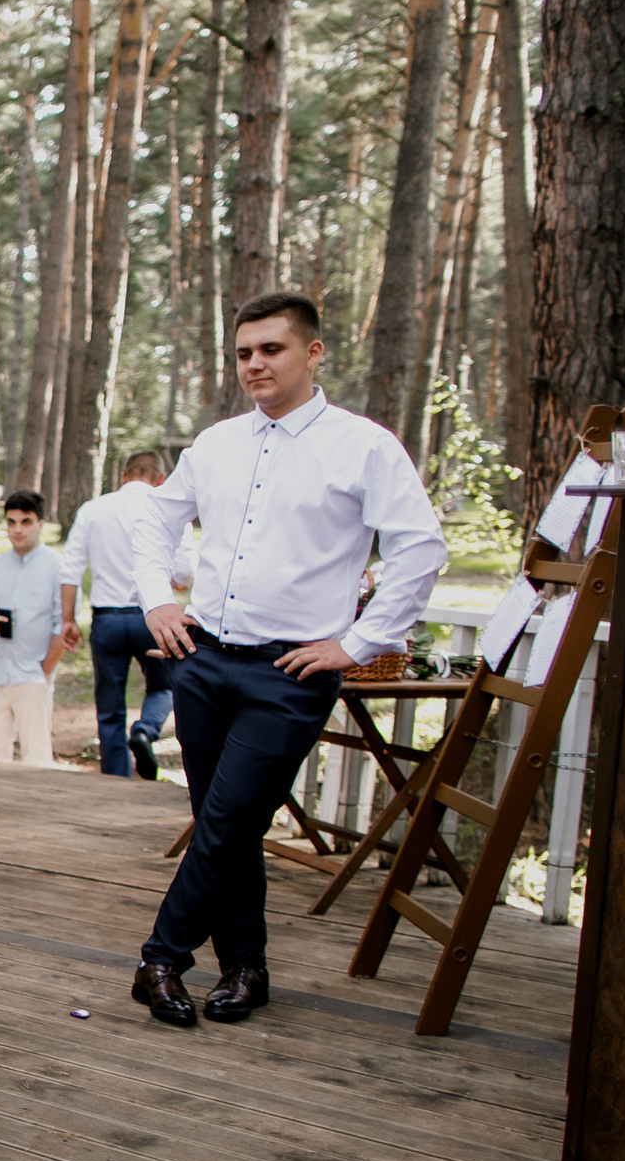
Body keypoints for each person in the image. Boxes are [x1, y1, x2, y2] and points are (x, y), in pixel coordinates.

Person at [129, 292, 445, 1028]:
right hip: (204, 660)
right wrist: (156, 599)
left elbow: (420, 546)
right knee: (224, 823)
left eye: (271, 349)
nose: (255, 364)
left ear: (313, 352)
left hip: (291, 673)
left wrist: (359, 643)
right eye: (243, 352)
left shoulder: (362, 445)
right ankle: (246, 967)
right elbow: (156, 518)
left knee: (229, 818)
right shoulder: (215, 444)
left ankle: (161, 957)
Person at [59, 450, 197, 778]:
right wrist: (171, 582)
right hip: (152, 618)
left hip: (107, 619)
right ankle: (145, 731)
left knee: (109, 708)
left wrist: (68, 619)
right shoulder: (168, 509)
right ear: (161, 479)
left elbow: (70, 569)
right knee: (163, 687)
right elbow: (185, 574)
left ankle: (114, 781)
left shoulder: (93, 509)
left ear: (124, 474)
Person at [0, 491, 68, 767]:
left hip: (32, 673)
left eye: (26, 521)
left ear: (40, 523)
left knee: (37, 756)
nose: (18, 529)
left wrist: (44, 671)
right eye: (11, 522)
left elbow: (63, 624)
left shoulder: (58, 568)